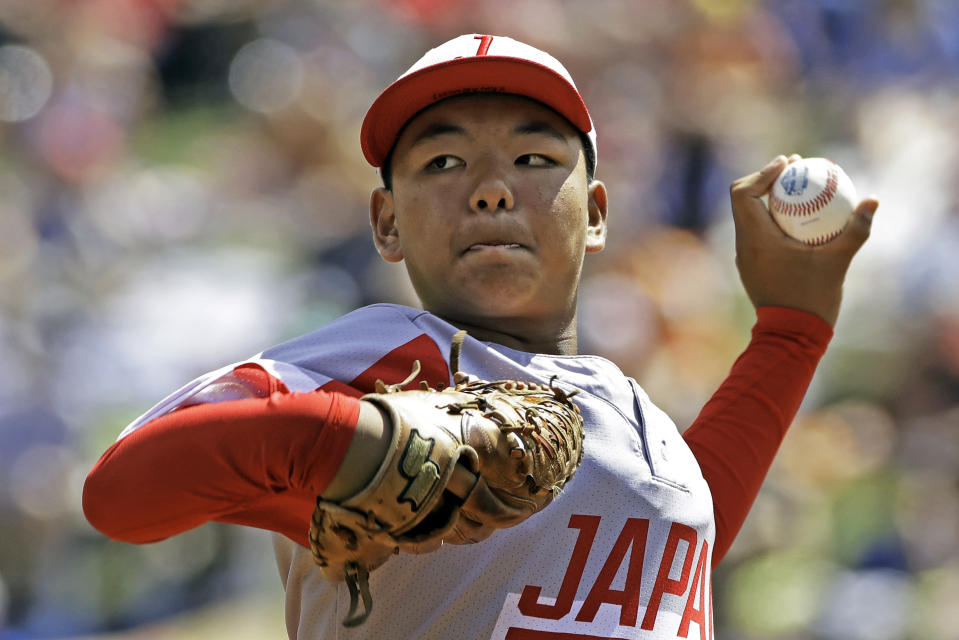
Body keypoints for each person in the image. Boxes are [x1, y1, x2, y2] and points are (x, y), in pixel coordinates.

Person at [82, 34, 878, 639]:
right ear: (386, 223)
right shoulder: (381, 359)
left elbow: (680, 543)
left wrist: (790, 329)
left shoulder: (630, 410)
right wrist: (350, 441)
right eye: (442, 163)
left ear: (595, 212)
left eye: (532, 158)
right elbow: (120, 495)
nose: (491, 190)